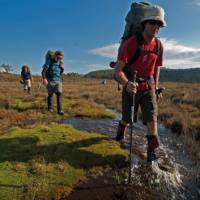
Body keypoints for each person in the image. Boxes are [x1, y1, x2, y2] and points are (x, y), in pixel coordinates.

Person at [114, 5, 166, 162]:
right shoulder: (131, 43)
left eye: (159, 24)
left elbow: (156, 67)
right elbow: (117, 71)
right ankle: (121, 130)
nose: (156, 27)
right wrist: (126, 83)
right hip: (132, 85)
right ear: (144, 23)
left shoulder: (158, 46)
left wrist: (155, 87)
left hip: (148, 85)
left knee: (152, 118)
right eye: (153, 23)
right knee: (127, 118)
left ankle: (151, 154)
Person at [42, 50, 65, 115]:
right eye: (58, 58)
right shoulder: (49, 62)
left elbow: (60, 72)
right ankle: (49, 108)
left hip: (58, 80)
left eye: (60, 58)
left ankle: (60, 110)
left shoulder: (60, 63)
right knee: (50, 95)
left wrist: (62, 69)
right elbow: (43, 72)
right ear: (55, 56)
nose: (59, 59)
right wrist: (44, 79)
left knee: (59, 93)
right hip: (50, 80)